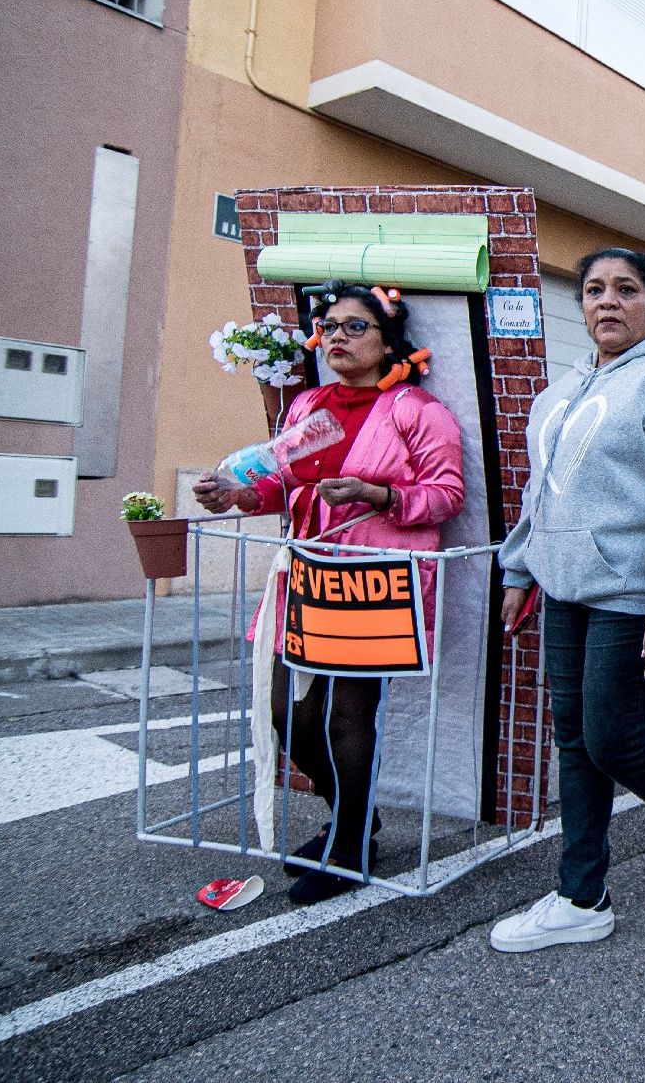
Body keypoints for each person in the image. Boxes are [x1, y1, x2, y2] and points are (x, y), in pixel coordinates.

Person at [489, 247, 645, 953]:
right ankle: (582, 894)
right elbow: (542, 491)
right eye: (594, 289)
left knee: (613, 736)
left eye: (626, 290)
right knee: (573, 741)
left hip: (633, 591)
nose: (608, 301)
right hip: (563, 585)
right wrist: (518, 569)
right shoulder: (561, 390)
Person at [194, 282, 465, 904]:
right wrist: (236, 494)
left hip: (375, 577)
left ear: (388, 341)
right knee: (289, 711)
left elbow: (447, 496)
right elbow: (282, 484)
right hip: (305, 571)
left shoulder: (416, 413)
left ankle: (348, 846)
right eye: (329, 325)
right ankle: (355, 816)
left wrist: (377, 496)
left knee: (348, 716)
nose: (337, 337)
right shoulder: (308, 407)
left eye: (354, 327)